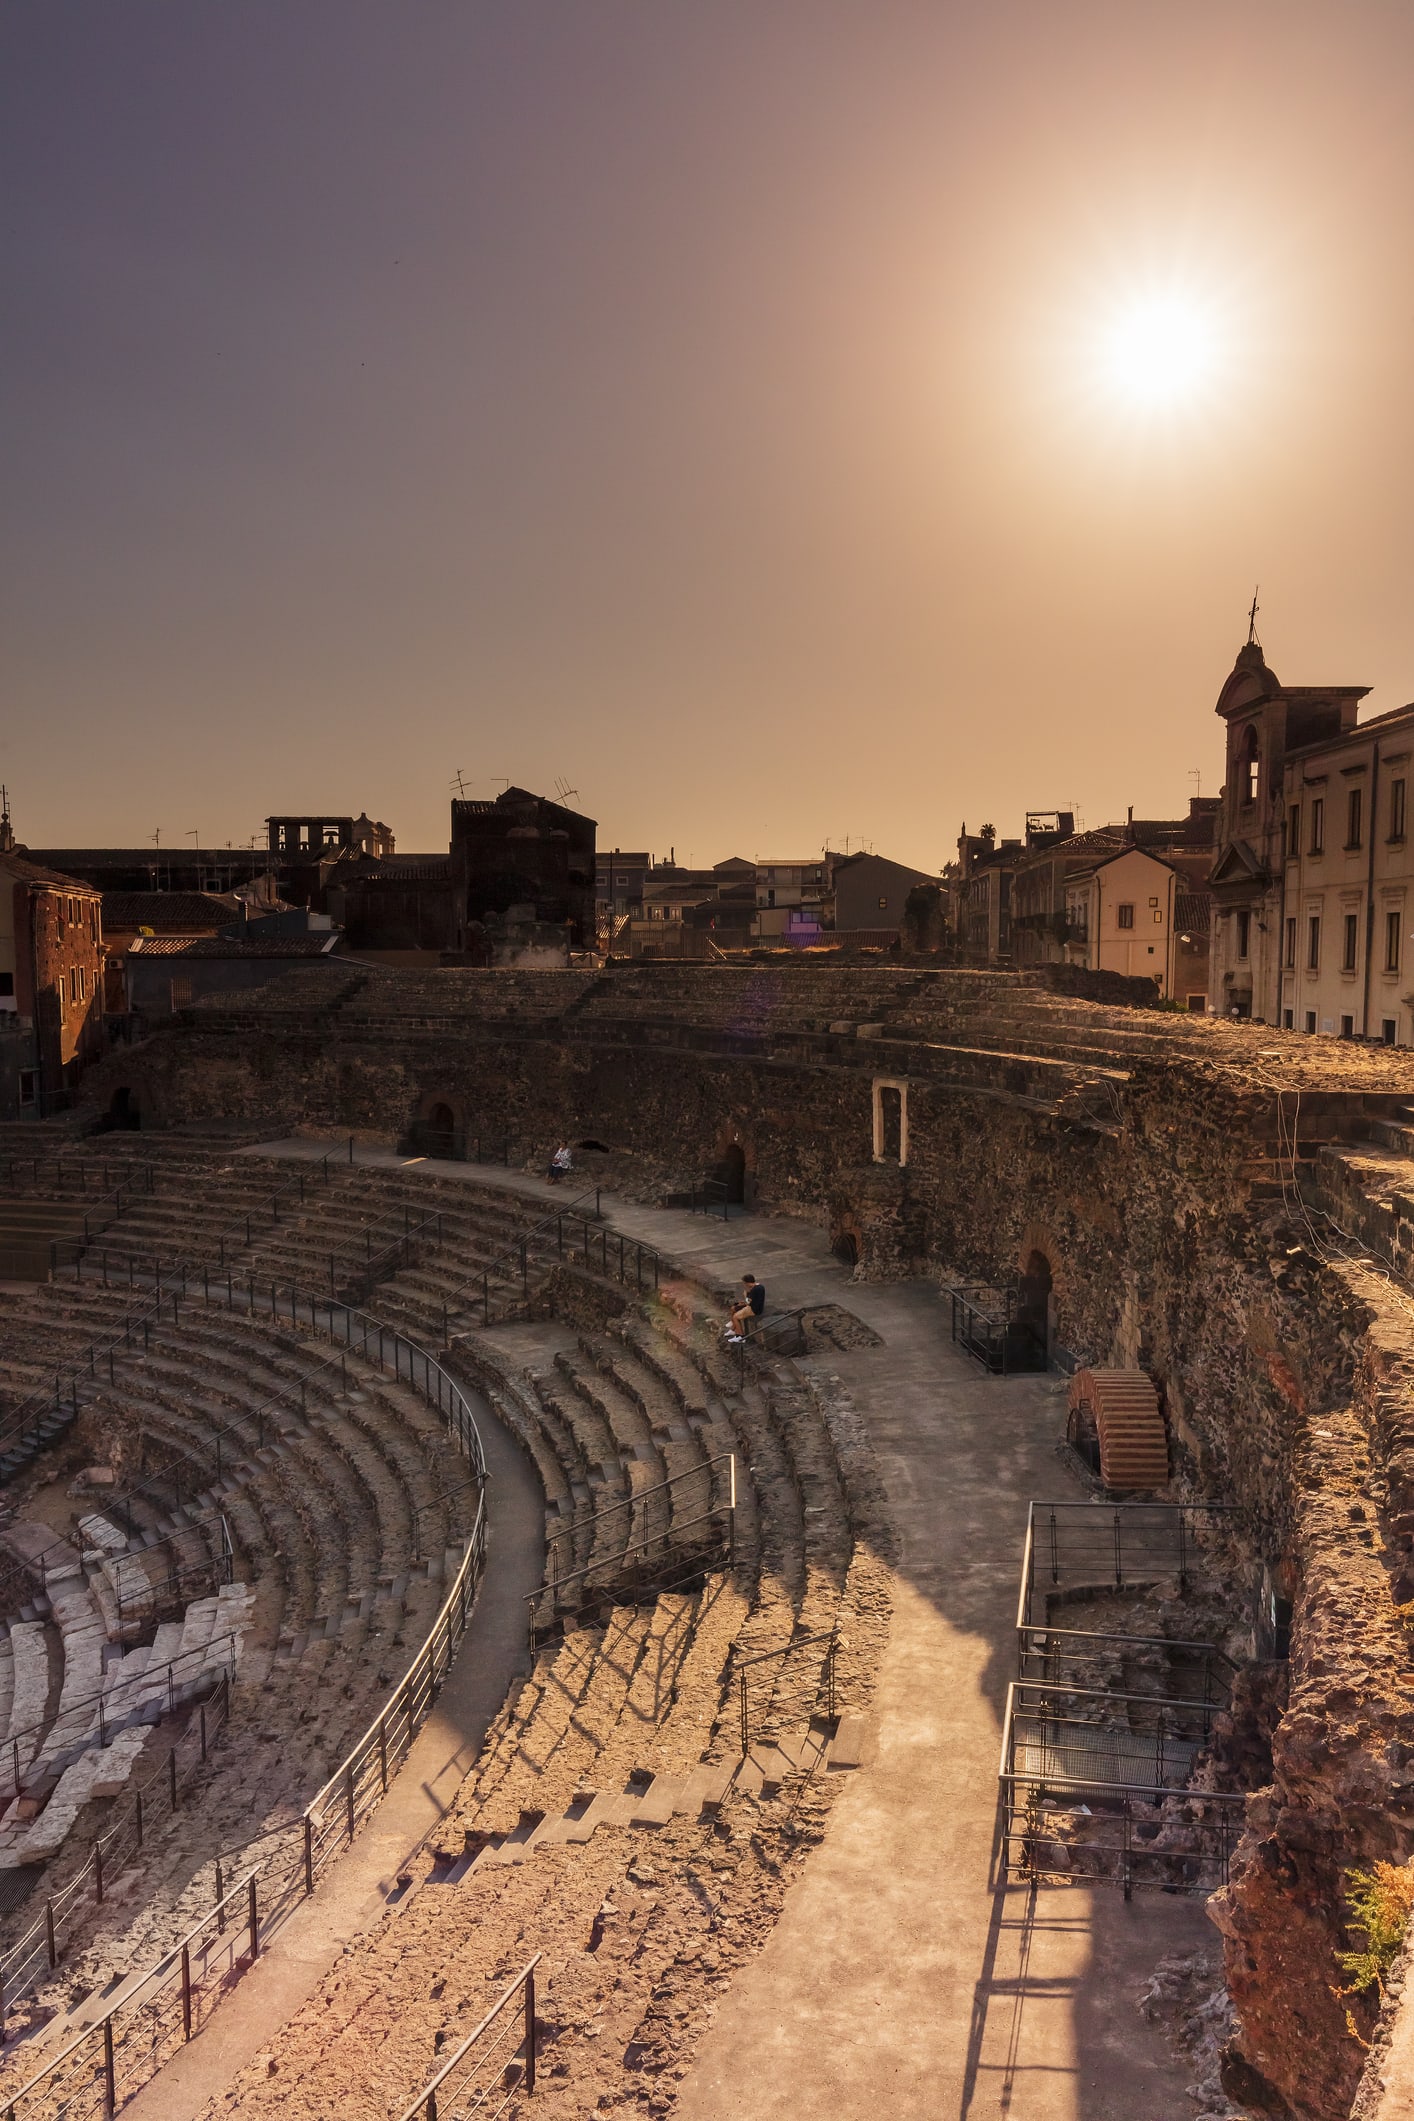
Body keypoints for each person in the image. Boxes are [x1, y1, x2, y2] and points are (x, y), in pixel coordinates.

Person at [726, 1273, 766, 1343]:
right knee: (735, 1310)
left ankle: (740, 1336)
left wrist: (745, 1295)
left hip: (754, 1309)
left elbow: (748, 1302)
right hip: (757, 1307)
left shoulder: (754, 1290)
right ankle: (733, 1330)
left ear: (747, 1282)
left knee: (735, 1317)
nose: (744, 1285)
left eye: (744, 1283)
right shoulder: (760, 1286)